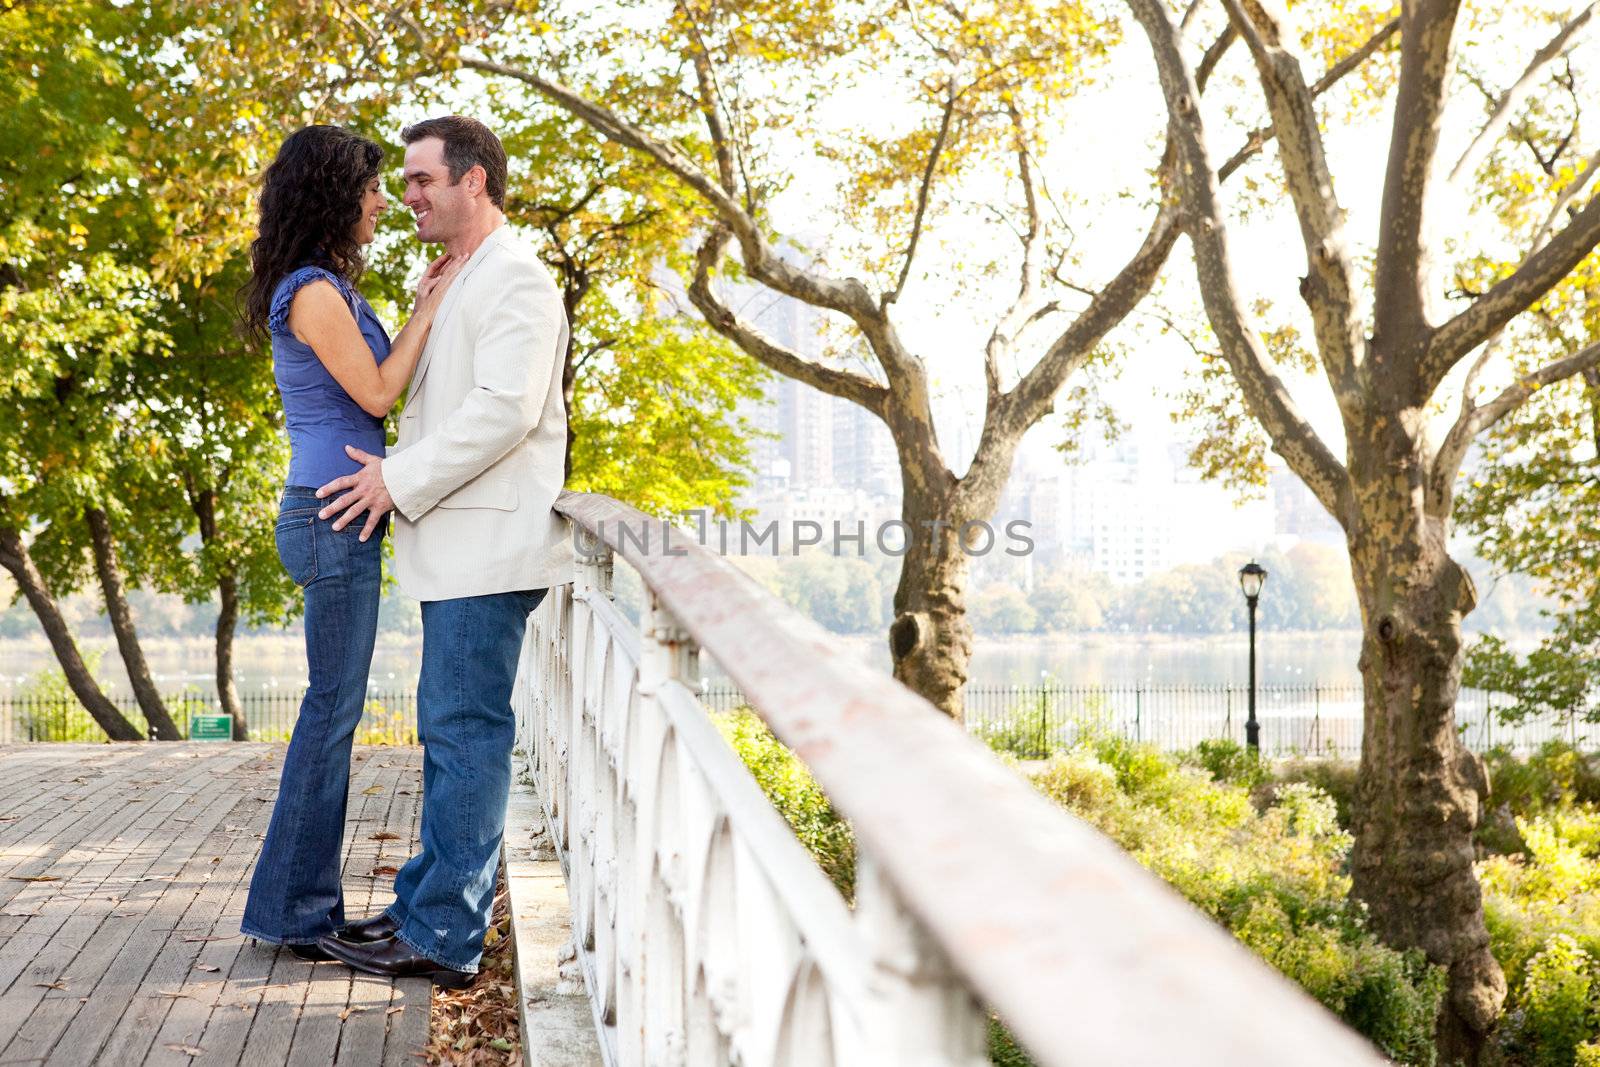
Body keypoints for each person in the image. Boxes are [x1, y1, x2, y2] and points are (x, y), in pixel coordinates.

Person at [310, 115, 573, 988]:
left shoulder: (518, 281)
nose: (407, 194)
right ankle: (424, 903)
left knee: (465, 735)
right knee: (450, 732)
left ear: (475, 182)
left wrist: (396, 480)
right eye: (407, 182)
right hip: (458, 546)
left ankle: (444, 937)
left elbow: (504, 410)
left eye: (422, 179)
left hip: (486, 546)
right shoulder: (464, 277)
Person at [237, 125, 463, 959]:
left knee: (331, 712)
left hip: (340, 516)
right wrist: (429, 307)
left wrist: (421, 309)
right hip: (329, 516)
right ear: (336, 195)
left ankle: (303, 904)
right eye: (373, 188)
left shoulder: (328, 285)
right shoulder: (314, 292)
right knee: (328, 714)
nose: (384, 201)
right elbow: (376, 390)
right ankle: (293, 911)